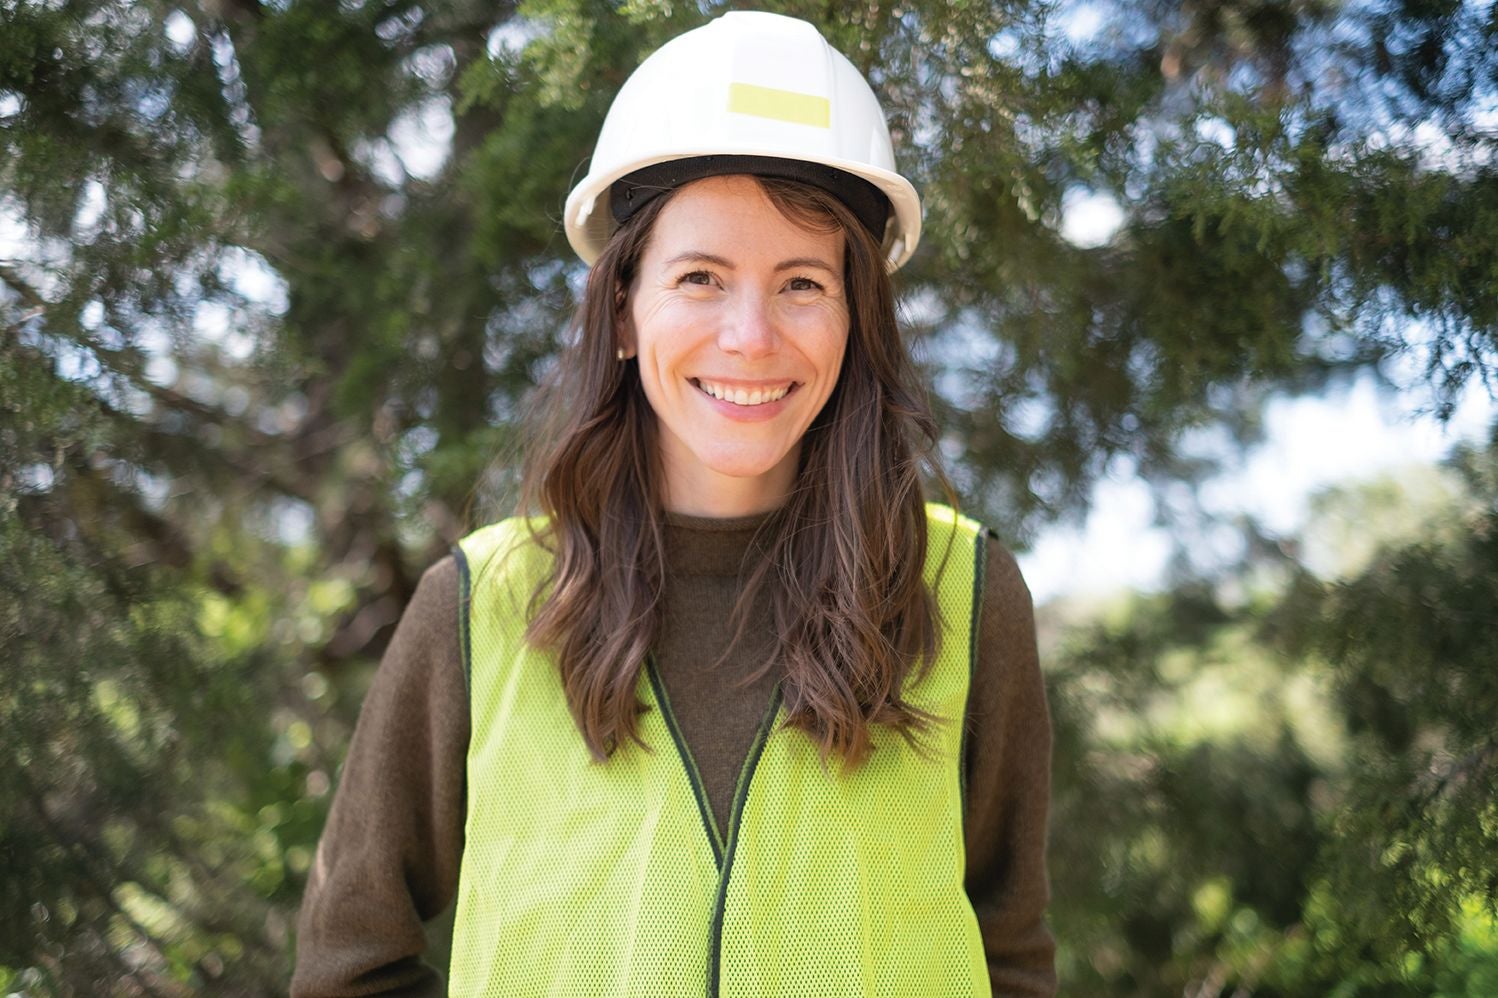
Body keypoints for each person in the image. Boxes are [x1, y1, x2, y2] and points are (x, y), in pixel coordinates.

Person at [291, 11, 1055, 997]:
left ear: (856, 317)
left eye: (801, 283)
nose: (750, 335)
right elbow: (348, 965)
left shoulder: (964, 594)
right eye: (700, 277)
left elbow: (1013, 959)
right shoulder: (480, 605)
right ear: (623, 308)